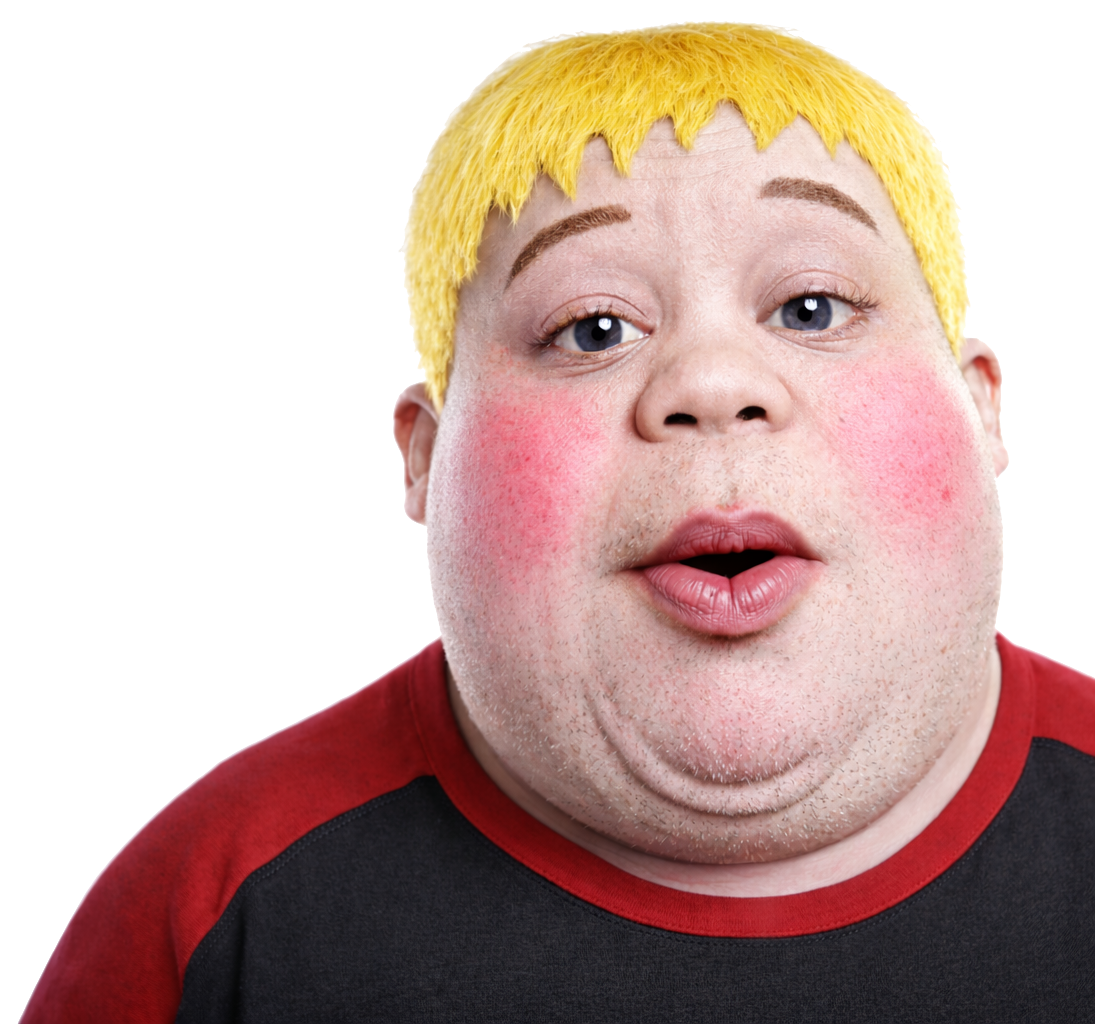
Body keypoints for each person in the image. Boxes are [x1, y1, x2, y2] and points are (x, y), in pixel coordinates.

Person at [23, 23, 1095, 1022]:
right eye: (592, 328)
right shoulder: (207, 918)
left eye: (810, 307)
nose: (712, 383)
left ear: (981, 410)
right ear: (423, 457)